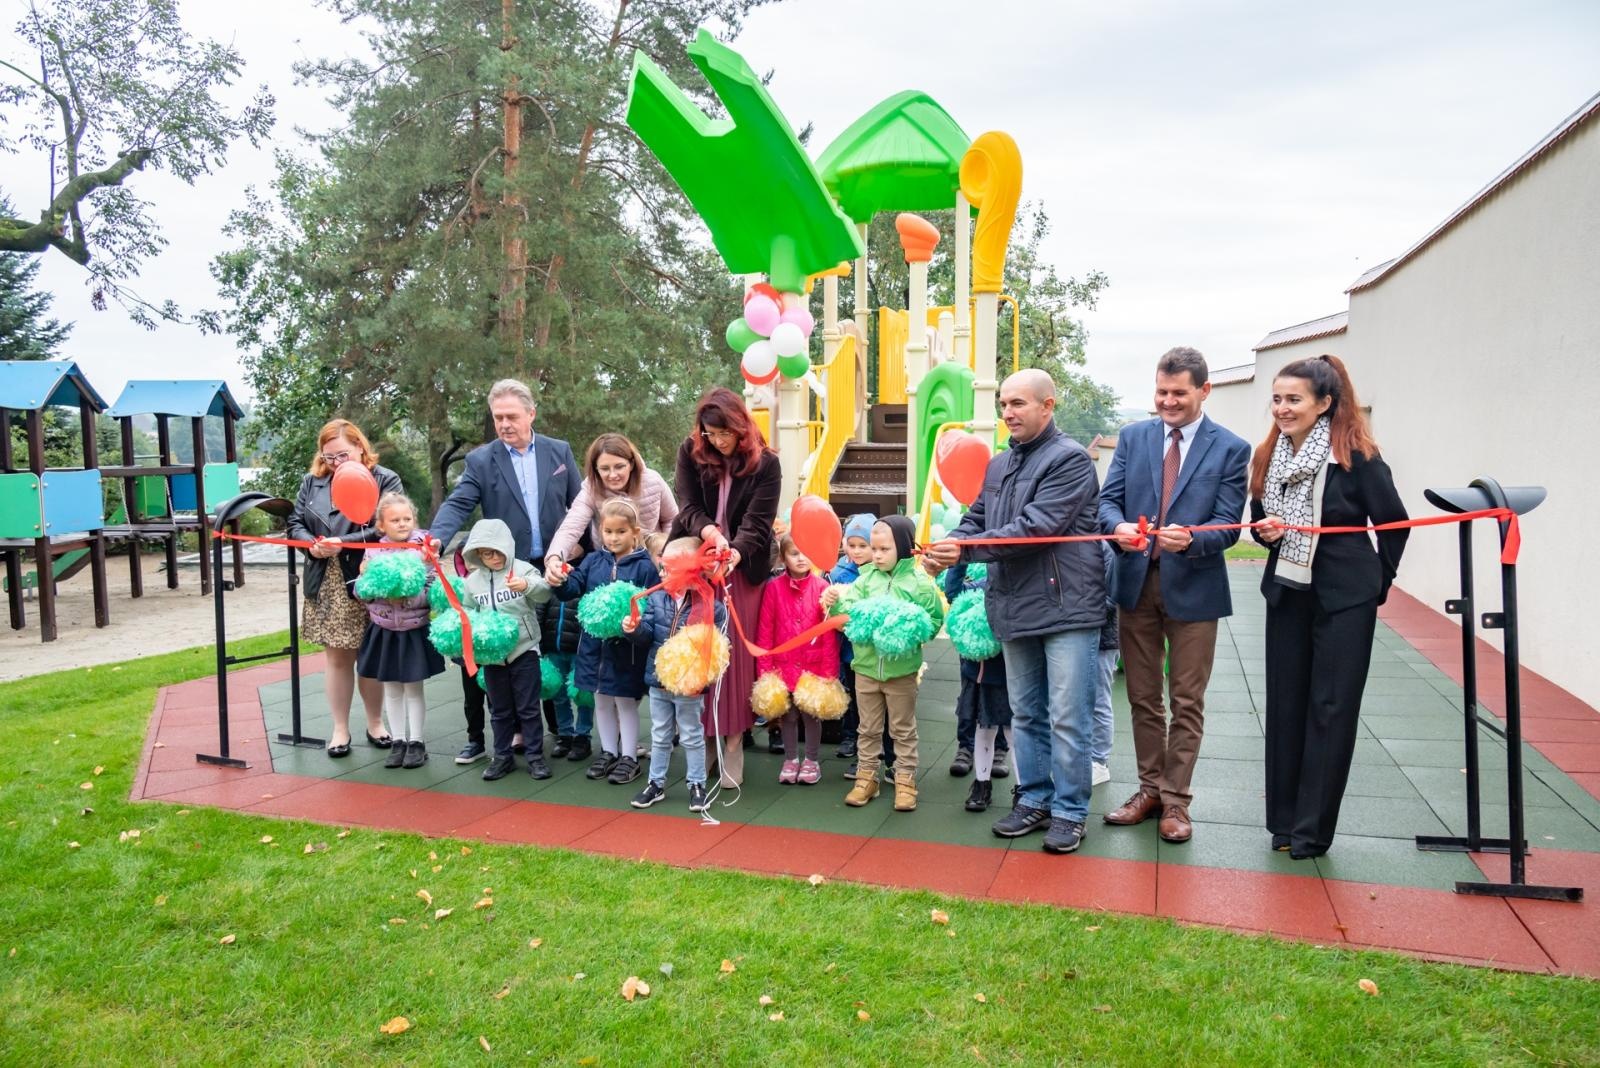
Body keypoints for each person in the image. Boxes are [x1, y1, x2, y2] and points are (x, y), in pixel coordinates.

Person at [924, 369, 1105, 855]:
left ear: (1049, 405)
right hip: (1013, 602)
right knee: (1025, 713)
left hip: (1067, 606)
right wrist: (953, 541)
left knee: (1067, 715)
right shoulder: (999, 464)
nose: (1008, 412)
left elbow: (1035, 528)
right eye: (1004, 403)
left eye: (1020, 403)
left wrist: (963, 550)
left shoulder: (1070, 460)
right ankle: (1034, 798)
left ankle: (1069, 811)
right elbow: (977, 517)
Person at [1251, 355, 1408, 859]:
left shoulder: (1356, 455)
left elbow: (1394, 524)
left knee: (1331, 707)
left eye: (1293, 399)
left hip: (1345, 597)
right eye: (1276, 398)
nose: (1282, 408)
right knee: (1286, 703)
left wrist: (1374, 583)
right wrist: (1268, 533)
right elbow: (1260, 519)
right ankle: (1283, 823)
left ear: (1324, 404)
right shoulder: (1268, 456)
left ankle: (1313, 831)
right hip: (1289, 590)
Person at [1099, 347, 1252, 844]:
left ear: (1204, 391)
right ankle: (1148, 791)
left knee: (1186, 700)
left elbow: (1229, 524)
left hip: (1195, 587)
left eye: (1178, 393)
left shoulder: (1231, 448)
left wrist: (1195, 538)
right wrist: (1118, 527)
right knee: (1143, 698)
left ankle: (1177, 802)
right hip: (1135, 583)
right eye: (1161, 392)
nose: (1167, 401)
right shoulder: (1133, 436)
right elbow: (1107, 502)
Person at [667, 387, 783, 788]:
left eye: (722, 434)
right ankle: (704, 743)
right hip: (696, 563)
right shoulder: (691, 450)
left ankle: (733, 743)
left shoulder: (766, 464)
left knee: (732, 660)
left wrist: (733, 552)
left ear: (740, 427)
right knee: (700, 652)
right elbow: (686, 505)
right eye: (708, 433)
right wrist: (710, 532)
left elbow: (758, 523)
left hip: (740, 569)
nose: (715, 441)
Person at [287, 419, 404, 759]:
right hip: (328, 577)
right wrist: (311, 545)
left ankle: (376, 723)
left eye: (342, 455)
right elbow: (294, 523)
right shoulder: (312, 481)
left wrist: (345, 542)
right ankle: (340, 728)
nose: (336, 463)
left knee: (371, 653)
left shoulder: (385, 478)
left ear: (360, 447)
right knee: (338, 657)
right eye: (329, 457)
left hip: (370, 574)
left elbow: (392, 526)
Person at [822, 516, 945, 812]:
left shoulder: (919, 584)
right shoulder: (864, 581)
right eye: (873, 549)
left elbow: (933, 620)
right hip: (865, 670)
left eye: (883, 549)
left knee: (902, 729)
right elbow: (847, 617)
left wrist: (909, 629)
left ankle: (905, 781)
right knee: (868, 728)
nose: (875, 555)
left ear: (902, 547)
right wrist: (833, 601)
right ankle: (867, 778)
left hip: (901, 672)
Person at [549, 498, 656, 785]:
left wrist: (634, 626)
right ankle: (608, 752)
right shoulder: (593, 560)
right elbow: (574, 588)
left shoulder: (645, 566)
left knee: (625, 703)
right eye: (608, 531)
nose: (613, 538)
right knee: (601, 701)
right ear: (601, 531)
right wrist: (559, 580)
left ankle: (629, 757)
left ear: (635, 532)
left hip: (626, 650)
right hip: (593, 649)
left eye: (620, 532)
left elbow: (651, 605)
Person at [622, 537, 728, 812]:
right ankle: (655, 783)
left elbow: (716, 648)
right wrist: (633, 628)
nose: (660, 574)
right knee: (659, 734)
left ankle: (697, 784)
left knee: (692, 734)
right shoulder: (656, 598)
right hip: (658, 683)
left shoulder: (711, 605)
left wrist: (697, 674)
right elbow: (646, 635)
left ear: (688, 569)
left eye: (667, 568)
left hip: (689, 688)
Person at [353, 493, 445, 770]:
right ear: (381, 525)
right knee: (392, 690)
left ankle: (416, 742)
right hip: (384, 630)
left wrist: (405, 598)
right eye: (395, 520)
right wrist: (370, 584)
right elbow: (360, 591)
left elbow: (431, 590)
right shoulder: (372, 552)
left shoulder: (424, 550)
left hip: (413, 630)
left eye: (407, 519)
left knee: (413, 689)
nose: (402, 524)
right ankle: (398, 742)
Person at [461, 517, 556, 781]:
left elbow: (544, 592)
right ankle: (502, 757)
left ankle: (536, 757)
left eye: (497, 551)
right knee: (500, 710)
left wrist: (527, 586)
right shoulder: (473, 582)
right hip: (492, 656)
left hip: (523, 651)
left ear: (507, 546)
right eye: (486, 553)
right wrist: (471, 627)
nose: (493, 557)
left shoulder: (523, 570)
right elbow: (468, 611)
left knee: (528, 708)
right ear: (477, 554)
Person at [756, 534, 838, 785]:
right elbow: (765, 630)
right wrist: (766, 672)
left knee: (811, 714)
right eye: (794, 553)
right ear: (783, 558)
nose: (801, 558)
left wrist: (828, 673)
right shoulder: (773, 588)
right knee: (788, 715)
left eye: (805, 552)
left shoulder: (823, 588)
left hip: (812, 665)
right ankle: (791, 759)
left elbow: (828, 634)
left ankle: (811, 760)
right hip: (783, 664)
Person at [544, 433, 678, 569]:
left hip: (650, 561)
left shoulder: (653, 481)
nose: (613, 475)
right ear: (596, 469)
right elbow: (571, 527)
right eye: (605, 469)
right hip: (610, 563)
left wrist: (667, 551)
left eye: (619, 466)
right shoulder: (591, 488)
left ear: (631, 464)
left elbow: (671, 519)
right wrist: (554, 559)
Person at [942, 560, 1012, 813]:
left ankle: (1026, 790)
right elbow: (952, 592)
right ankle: (982, 785)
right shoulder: (977, 588)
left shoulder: (1017, 594)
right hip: (978, 676)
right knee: (984, 728)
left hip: (1008, 678)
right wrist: (960, 559)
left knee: (1015, 732)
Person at [1090, 542, 1120, 788]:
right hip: (1080, 633)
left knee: (1099, 699)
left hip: (1104, 637)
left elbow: (1111, 598)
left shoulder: (1105, 547)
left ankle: (1099, 761)